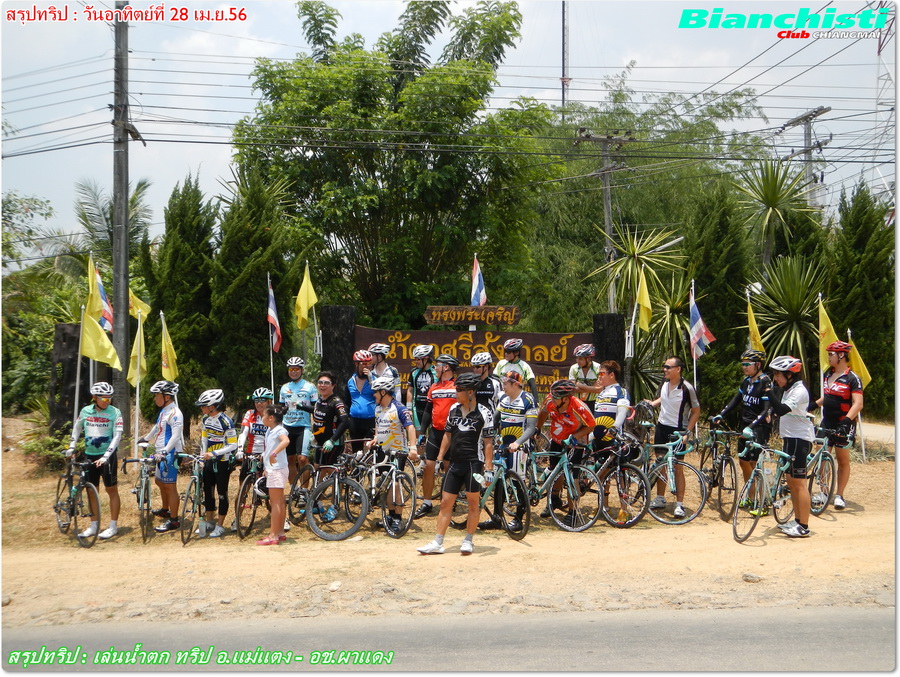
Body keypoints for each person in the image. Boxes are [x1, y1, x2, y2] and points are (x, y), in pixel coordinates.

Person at [417, 373, 494, 555]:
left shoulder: (485, 412)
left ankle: (468, 540)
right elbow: (447, 435)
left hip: (474, 463)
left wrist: (489, 468)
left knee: (473, 504)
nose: (456, 393)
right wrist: (439, 459)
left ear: (470, 392)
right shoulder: (453, 409)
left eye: (459, 390)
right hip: (455, 462)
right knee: (445, 503)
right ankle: (438, 542)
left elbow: (488, 442)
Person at [479, 370, 537, 531]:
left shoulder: (528, 399)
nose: (502, 386)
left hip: (520, 448)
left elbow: (531, 427)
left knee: (518, 483)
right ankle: (497, 518)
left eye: (505, 383)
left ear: (515, 384)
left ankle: (519, 519)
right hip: (504, 445)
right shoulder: (503, 399)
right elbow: (495, 419)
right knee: (498, 481)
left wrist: (517, 443)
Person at [643, 356, 700, 519]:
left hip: (678, 430)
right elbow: (664, 398)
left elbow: (696, 411)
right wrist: (653, 403)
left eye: (668, 367)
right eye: (664, 366)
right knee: (661, 464)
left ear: (678, 369)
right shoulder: (664, 383)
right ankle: (660, 498)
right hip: (662, 428)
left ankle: (679, 504)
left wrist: (687, 432)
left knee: (677, 467)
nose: (665, 370)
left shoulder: (687, 388)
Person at [810, 340, 863, 510]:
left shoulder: (852, 378)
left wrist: (846, 422)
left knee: (842, 459)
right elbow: (828, 397)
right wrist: (813, 405)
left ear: (841, 355)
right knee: (821, 456)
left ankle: (839, 495)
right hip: (827, 421)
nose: (828, 357)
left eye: (831, 354)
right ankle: (824, 492)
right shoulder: (828, 374)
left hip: (844, 423)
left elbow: (858, 403)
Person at [66, 381, 123, 540]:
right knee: (91, 490)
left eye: (109, 398)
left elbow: (117, 436)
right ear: (94, 397)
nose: (107, 401)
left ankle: (113, 526)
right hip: (90, 454)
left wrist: (106, 456)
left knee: (111, 490)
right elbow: (77, 428)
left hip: (108, 456)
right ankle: (94, 525)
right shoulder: (85, 411)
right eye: (104, 398)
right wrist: (72, 446)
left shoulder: (115, 412)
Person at [535, 379, 595, 525]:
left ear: (566, 399)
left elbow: (591, 425)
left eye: (556, 398)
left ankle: (573, 512)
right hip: (557, 440)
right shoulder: (550, 400)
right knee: (555, 472)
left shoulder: (578, 407)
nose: (552, 399)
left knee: (572, 476)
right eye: (552, 396)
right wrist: (537, 429)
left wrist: (575, 437)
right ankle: (554, 500)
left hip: (575, 442)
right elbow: (543, 413)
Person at [768, 355, 814, 538]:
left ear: (790, 375)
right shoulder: (789, 389)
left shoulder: (799, 390)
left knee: (800, 483)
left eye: (778, 375)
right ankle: (797, 520)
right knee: (791, 482)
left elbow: (781, 410)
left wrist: (768, 391)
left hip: (799, 439)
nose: (775, 379)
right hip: (790, 439)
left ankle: (804, 526)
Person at [711, 350, 773, 485]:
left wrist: (751, 427)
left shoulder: (765, 382)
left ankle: (761, 490)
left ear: (758, 365)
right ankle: (750, 492)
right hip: (745, 424)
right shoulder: (746, 381)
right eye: (743, 364)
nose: (744, 367)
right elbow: (736, 400)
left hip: (759, 426)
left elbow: (766, 410)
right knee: (743, 461)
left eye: (747, 364)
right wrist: (722, 414)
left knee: (754, 462)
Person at [369, 375, 419, 533]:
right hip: (382, 451)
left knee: (395, 484)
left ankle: (398, 517)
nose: (373, 395)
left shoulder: (399, 408)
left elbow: (410, 427)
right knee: (387, 485)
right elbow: (378, 426)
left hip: (397, 452)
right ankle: (390, 516)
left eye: (375, 392)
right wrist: (375, 438)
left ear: (383, 392)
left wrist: (413, 448)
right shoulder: (378, 408)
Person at [414, 353, 459, 518]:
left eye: (437, 366)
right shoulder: (434, 387)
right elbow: (427, 411)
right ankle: (427, 503)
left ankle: (449, 501)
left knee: (448, 468)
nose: (434, 368)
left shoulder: (457, 386)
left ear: (446, 367)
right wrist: (422, 432)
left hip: (452, 434)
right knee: (428, 466)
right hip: (435, 432)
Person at [140, 380, 184, 534]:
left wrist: (165, 451)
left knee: (170, 487)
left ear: (167, 397)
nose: (155, 398)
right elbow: (157, 427)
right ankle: (166, 509)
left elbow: (176, 436)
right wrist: (146, 438)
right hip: (161, 453)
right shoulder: (164, 411)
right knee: (159, 482)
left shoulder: (175, 413)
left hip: (170, 453)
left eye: (157, 395)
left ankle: (174, 520)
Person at [194, 389, 238, 538]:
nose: (201, 408)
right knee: (208, 491)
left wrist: (214, 453)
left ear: (213, 406)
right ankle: (209, 521)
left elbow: (233, 445)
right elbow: (204, 439)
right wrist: (203, 456)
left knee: (221, 493)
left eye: (204, 405)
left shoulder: (226, 422)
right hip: (208, 460)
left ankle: (220, 525)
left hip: (222, 461)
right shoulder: (205, 420)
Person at [233, 387, 272, 532]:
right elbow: (243, 433)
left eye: (262, 400)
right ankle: (237, 518)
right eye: (256, 401)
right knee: (242, 490)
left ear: (269, 401)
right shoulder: (250, 414)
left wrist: (267, 453)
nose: (259, 403)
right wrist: (239, 449)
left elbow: (276, 436)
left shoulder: (273, 414)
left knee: (270, 491)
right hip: (251, 454)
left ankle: (281, 518)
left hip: (267, 454)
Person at [576, 360, 630, 458]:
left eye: (602, 373)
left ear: (611, 375)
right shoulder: (601, 393)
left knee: (612, 466)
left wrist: (614, 427)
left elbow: (622, 412)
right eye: (598, 374)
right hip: (596, 439)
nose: (599, 376)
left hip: (611, 438)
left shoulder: (620, 391)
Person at [279, 357, 317, 492]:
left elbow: (315, 409)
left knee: (302, 459)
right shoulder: (284, 388)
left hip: (303, 427)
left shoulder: (310, 387)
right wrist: (282, 410)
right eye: (291, 369)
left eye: (296, 369)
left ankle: (304, 491)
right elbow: (281, 407)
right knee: (290, 459)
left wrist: (301, 406)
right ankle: (294, 489)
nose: (293, 372)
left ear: (302, 370)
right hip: (287, 427)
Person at [257, 405, 290, 545]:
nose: (262, 417)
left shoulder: (279, 430)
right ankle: (280, 532)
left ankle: (273, 535)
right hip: (274, 469)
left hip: (277, 469)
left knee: (275, 502)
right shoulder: (270, 431)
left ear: (271, 418)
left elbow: (285, 441)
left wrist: (274, 453)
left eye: (264, 415)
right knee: (280, 501)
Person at [344, 350, 376, 456]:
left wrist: (371, 379)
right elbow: (347, 401)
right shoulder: (350, 381)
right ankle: (357, 467)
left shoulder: (375, 379)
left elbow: (380, 395)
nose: (367, 366)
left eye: (369, 363)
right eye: (364, 363)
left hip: (371, 419)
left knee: (372, 449)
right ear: (357, 364)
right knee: (357, 452)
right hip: (355, 420)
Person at [493, 338, 540, 404]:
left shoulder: (524, 366)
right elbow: (494, 381)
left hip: (518, 400)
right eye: (505, 351)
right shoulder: (501, 364)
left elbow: (532, 385)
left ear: (516, 353)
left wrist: (536, 402)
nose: (506, 354)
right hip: (501, 398)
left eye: (508, 352)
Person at [406, 344, 437, 429]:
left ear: (426, 359)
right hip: (417, 406)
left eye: (418, 359)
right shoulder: (414, 372)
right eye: (415, 359)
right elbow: (410, 390)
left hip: (432, 406)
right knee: (419, 434)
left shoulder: (436, 371)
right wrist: (408, 408)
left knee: (432, 433)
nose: (416, 362)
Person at [569, 344, 602, 409]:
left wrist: (579, 384)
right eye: (577, 358)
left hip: (594, 403)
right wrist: (592, 388)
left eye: (580, 359)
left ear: (588, 359)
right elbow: (572, 389)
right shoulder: (574, 368)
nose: (577, 361)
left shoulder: (598, 368)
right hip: (577, 402)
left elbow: (599, 389)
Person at [471, 351, 502, 417]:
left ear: (486, 366)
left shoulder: (496, 382)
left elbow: (501, 402)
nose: (475, 369)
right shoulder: (471, 382)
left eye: (478, 367)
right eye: (473, 367)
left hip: (491, 419)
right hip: (474, 419)